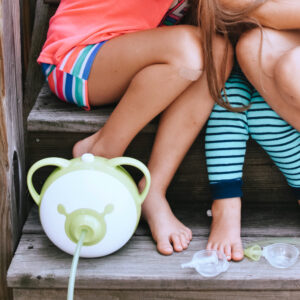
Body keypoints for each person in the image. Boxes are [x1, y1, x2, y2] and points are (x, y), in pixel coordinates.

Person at [38, 0, 233, 255]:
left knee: (219, 50)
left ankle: (153, 190)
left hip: (134, 56)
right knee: (188, 50)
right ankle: (102, 149)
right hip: (76, 58)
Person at [197, 0, 300, 261]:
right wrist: (226, 202)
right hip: (258, 41)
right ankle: (226, 207)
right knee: (240, 93)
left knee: (282, 71)